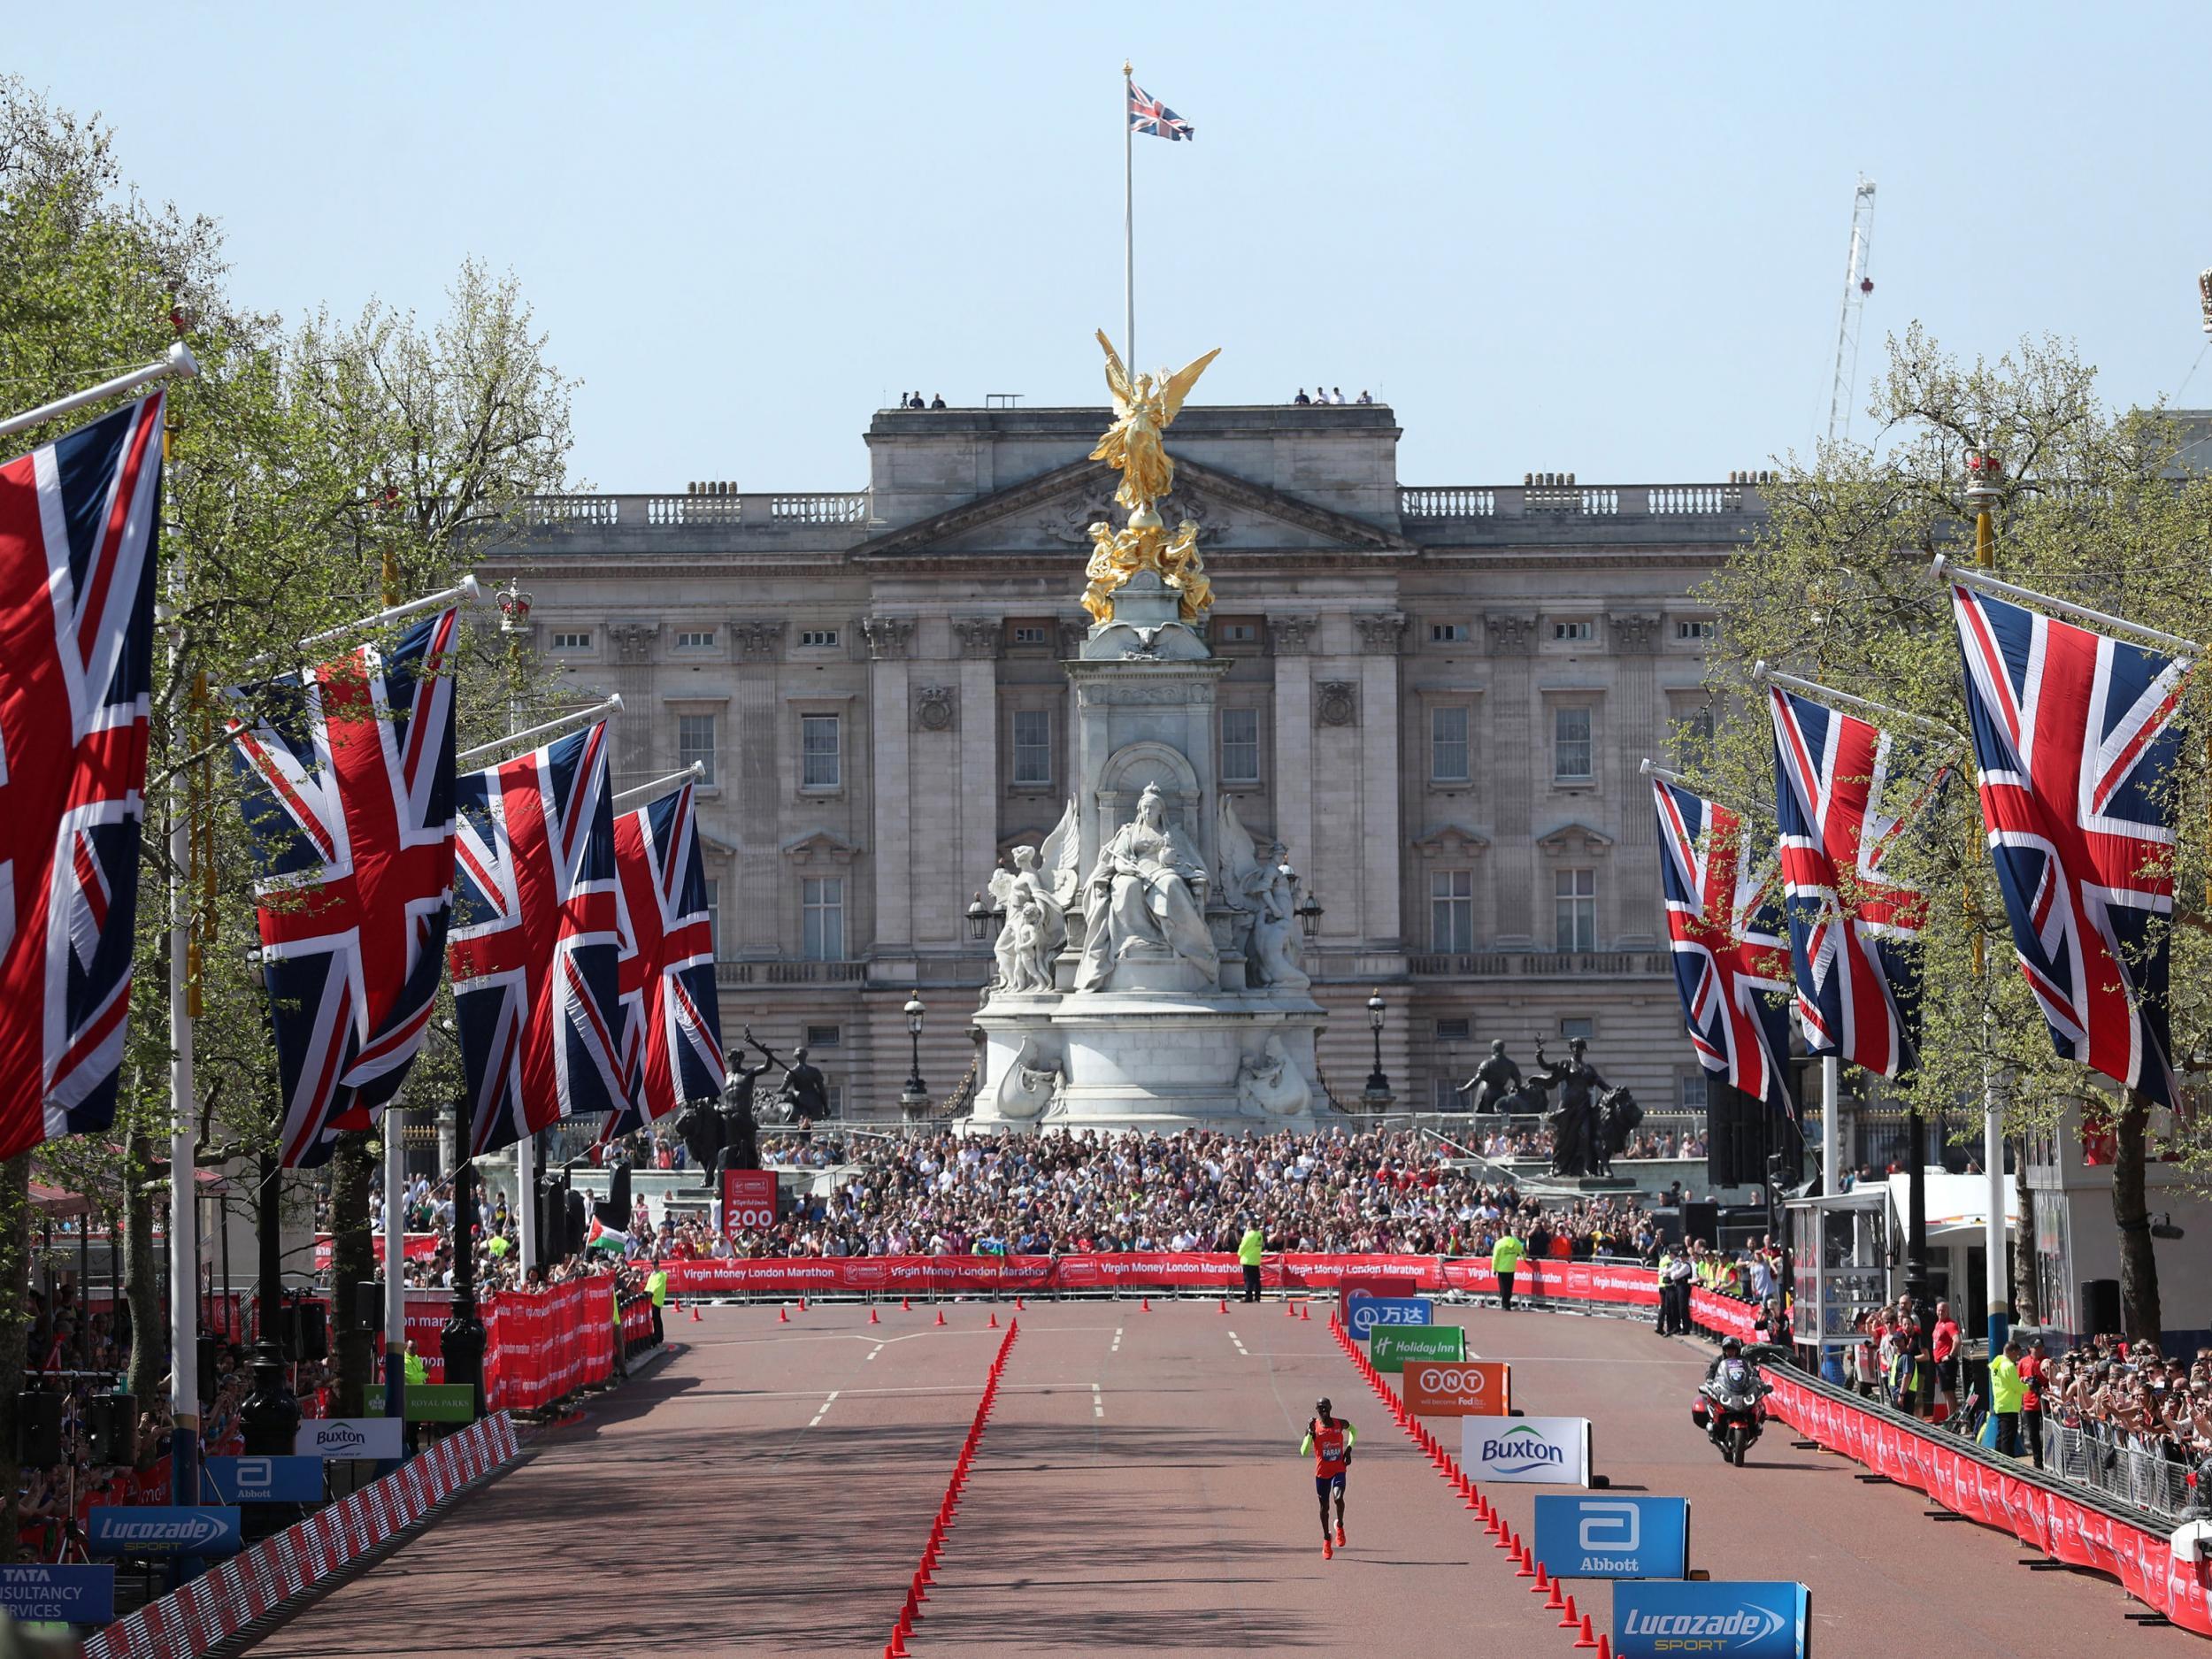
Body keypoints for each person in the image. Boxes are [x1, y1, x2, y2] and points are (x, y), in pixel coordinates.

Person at [1301, 1396, 1356, 1558]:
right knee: (1324, 1508)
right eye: (1320, 1408)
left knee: (1338, 1498)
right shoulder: (1314, 1427)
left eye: (1326, 1407)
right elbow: (1303, 1452)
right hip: (1322, 1473)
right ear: (1317, 1410)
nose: (1323, 1410)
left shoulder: (1340, 1424)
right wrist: (1310, 1434)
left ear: (1331, 1408)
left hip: (1338, 1469)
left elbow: (1354, 1431)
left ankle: (1340, 1525)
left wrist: (1349, 1449)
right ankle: (1326, 1539)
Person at [1989, 1339, 2024, 1457]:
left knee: (2001, 1437)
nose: (2018, 1357)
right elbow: (2016, 1387)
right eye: (2017, 1354)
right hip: (2009, 1406)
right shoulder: (2008, 1366)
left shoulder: (1996, 1364)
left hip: (2001, 1404)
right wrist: (2028, 1387)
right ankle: (2008, 1466)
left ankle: (1998, 1462)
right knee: (2008, 1439)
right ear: (2012, 1352)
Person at [1930, 1301, 1961, 1419]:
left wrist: (1950, 1355)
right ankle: (1951, 1417)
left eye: (1943, 1310)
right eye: (1939, 1310)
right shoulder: (1938, 1324)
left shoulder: (1950, 1324)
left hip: (1946, 1363)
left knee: (1949, 1392)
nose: (1940, 1312)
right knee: (1945, 1392)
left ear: (1948, 1311)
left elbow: (1957, 1341)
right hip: (1939, 1363)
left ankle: (1953, 1418)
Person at [2019, 1333, 2046, 1469]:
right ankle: (2038, 1462)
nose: (2039, 1350)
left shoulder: (2047, 1361)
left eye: (2041, 1347)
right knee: (2033, 1435)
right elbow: (2018, 1379)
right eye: (2036, 1347)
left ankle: (2049, 1460)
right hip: (2029, 1404)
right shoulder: (2023, 1362)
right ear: (2030, 1348)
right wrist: (2024, 1381)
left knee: (2048, 1433)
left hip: (2044, 1403)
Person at [1491, 1226, 1525, 1311]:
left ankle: (1505, 1304)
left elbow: (1495, 1257)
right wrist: (1524, 1258)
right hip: (1511, 1268)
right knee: (1509, 1287)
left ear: (1503, 1233)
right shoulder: (1516, 1242)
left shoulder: (1499, 1243)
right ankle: (1507, 1303)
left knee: (1503, 1287)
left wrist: (1494, 1268)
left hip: (1502, 1269)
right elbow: (1522, 1252)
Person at [1237, 1218, 1265, 1304]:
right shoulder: (1259, 1235)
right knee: (1256, 1280)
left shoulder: (1248, 1235)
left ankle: (1248, 1297)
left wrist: (1239, 1253)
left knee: (1248, 1280)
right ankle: (1257, 1297)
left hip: (1248, 1260)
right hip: (1256, 1260)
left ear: (1250, 1226)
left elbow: (1243, 1246)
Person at [647, 1263, 669, 1345]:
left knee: (657, 1319)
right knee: (654, 1319)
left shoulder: (661, 1275)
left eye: (654, 1265)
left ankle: (659, 1336)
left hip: (656, 1300)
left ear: (657, 1265)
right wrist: (646, 1292)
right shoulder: (652, 1275)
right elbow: (649, 1285)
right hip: (651, 1300)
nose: (653, 1267)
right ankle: (656, 1335)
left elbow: (658, 1287)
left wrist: (651, 1293)